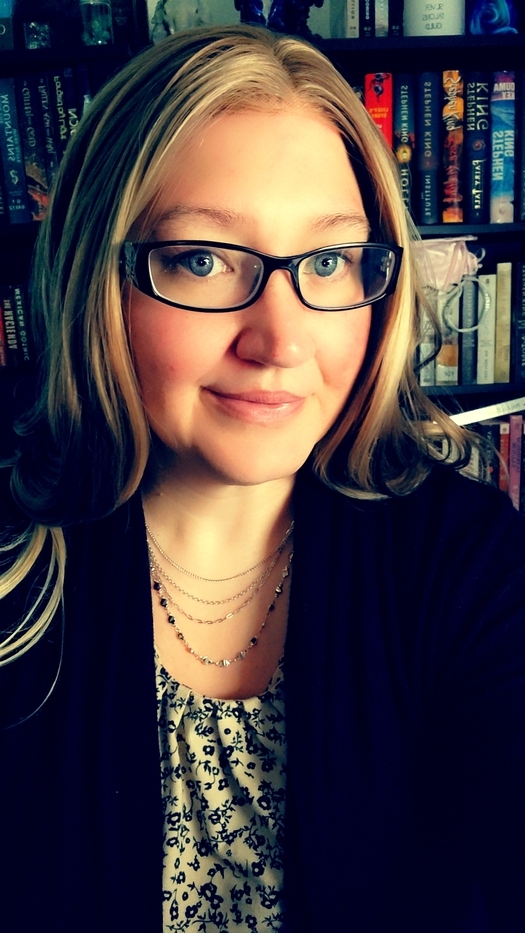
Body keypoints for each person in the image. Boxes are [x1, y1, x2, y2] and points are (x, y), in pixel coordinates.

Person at [1, 24, 525, 933]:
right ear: (96, 278)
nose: (280, 341)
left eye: (327, 261)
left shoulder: (465, 560)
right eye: (201, 259)